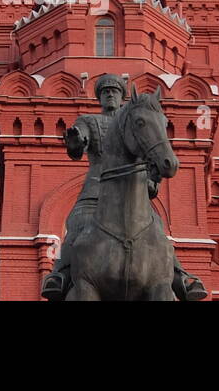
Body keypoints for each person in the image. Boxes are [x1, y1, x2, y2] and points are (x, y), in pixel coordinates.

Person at [40, 73, 207, 301]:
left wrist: (152, 178)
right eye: (105, 91)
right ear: (99, 98)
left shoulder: (136, 119)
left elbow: (148, 150)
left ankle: (180, 277)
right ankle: (58, 275)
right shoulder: (89, 121)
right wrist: (76, 140)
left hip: (133, 192)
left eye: (115, 91)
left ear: (122, 97)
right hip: (95, 194)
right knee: (78, 226)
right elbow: (79, 145)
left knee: (156, 228)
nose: (110, 94)